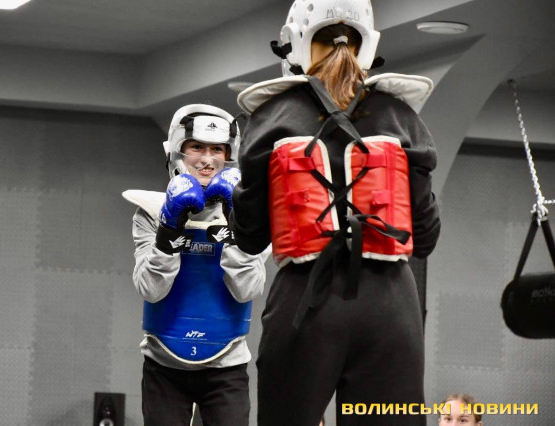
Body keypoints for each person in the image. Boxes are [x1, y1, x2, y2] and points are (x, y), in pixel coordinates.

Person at [230, 0, 441, 425]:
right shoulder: (402, 116)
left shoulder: (269, 119)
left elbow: (250, 238)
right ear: (368, 43)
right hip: (390, 307)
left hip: (305, 301)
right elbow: (425, 237)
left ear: (294, 42)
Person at [122, 104, 269, 426]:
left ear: (230, 155)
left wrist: (236, 228)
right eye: (197, 147)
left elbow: (247, 290)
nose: (207, 159)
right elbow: (150, 289)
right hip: (163, 362)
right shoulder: (151, 212)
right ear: (178, 151)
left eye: (217, 149)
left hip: (227, 364)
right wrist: (169, 230)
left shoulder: (254, 215)